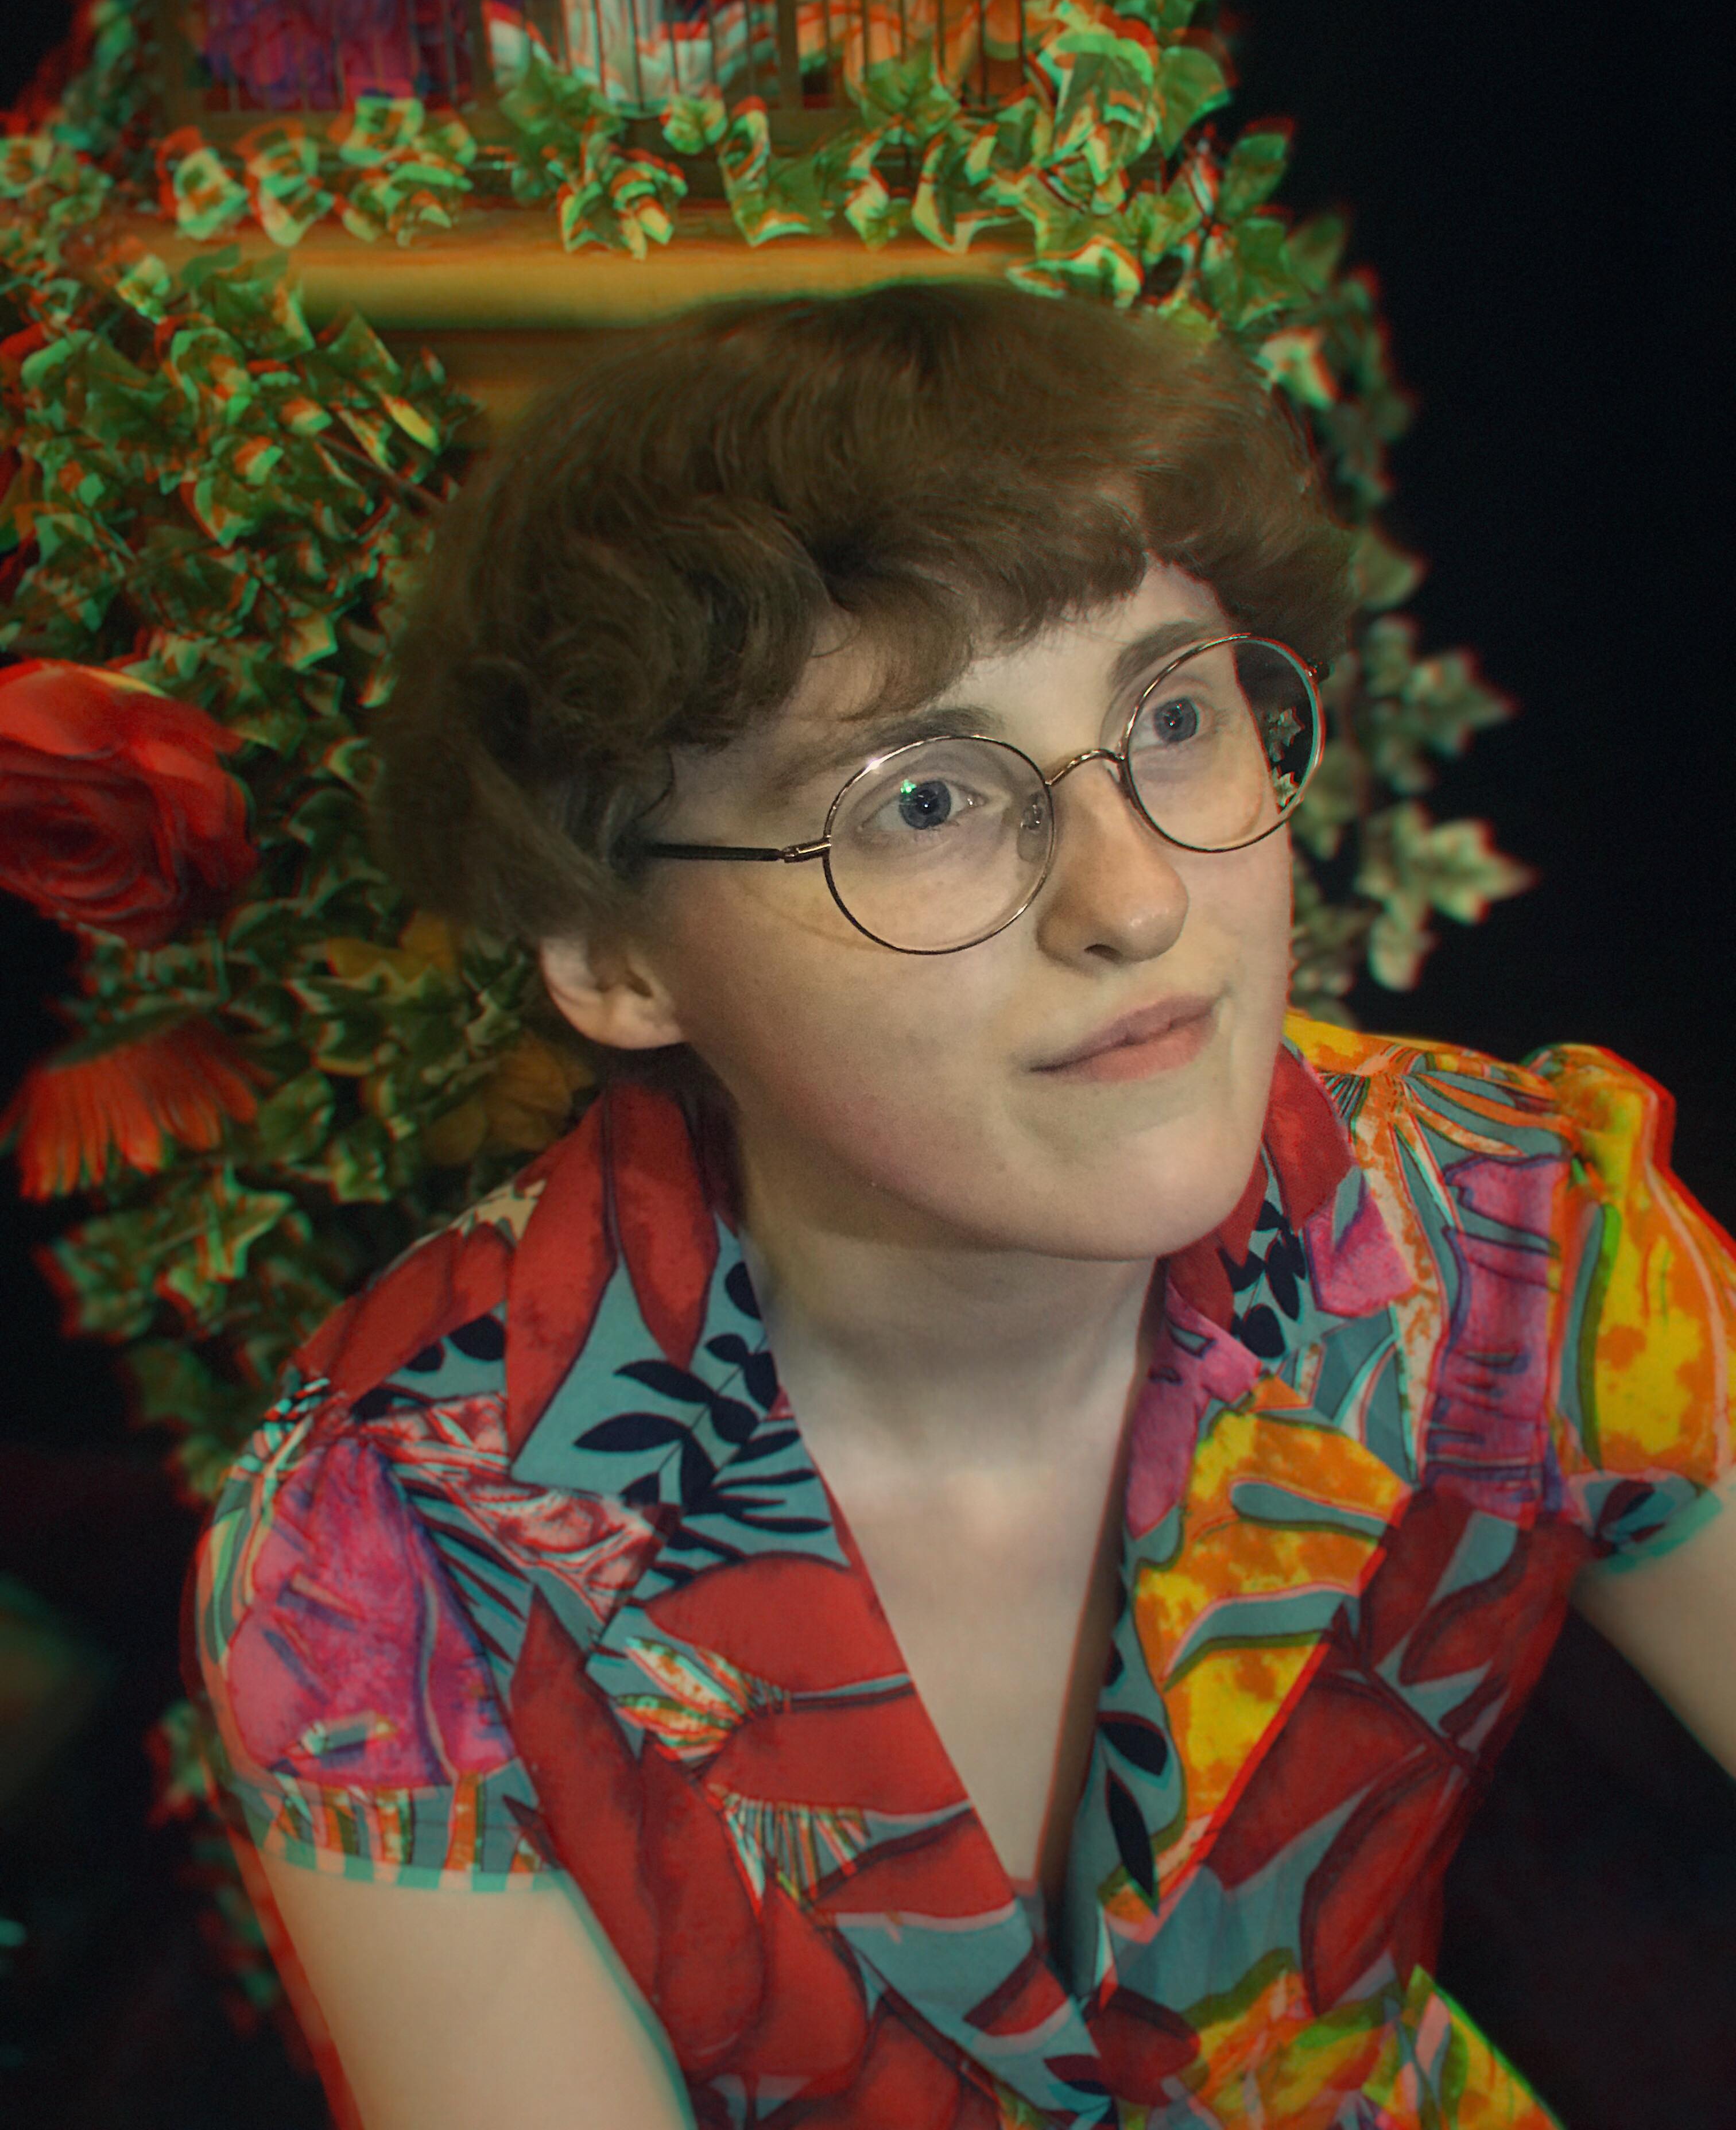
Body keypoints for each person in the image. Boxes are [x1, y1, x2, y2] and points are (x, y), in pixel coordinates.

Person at [187, 281, 1736, 2130]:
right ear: (613, 953)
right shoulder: (393, 1541)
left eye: (1176, 714)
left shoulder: (1518, 1237)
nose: (1137, 899)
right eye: (923, 801)